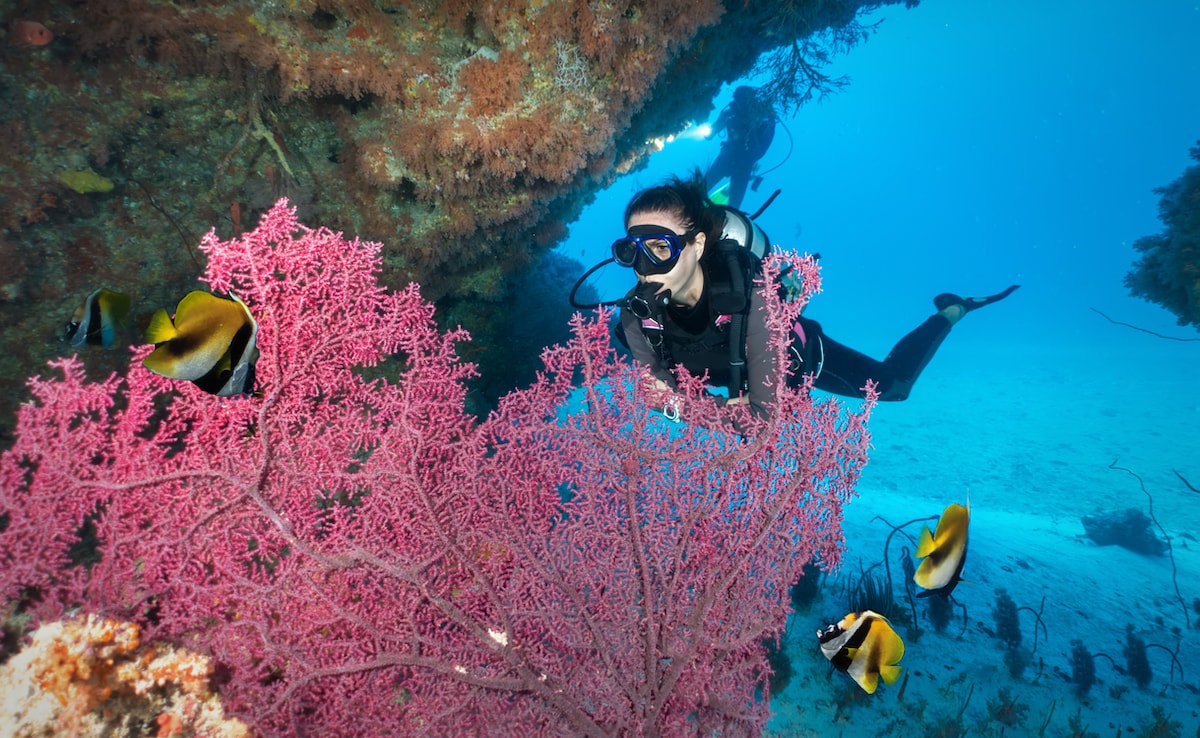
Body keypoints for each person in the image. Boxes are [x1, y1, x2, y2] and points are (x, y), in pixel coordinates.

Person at [613, 175, 1018, 420]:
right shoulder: (635, 318)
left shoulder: (749, 299)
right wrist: (685, 403)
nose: (644, 266)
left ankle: (950, 313)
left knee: (894, 387)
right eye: (631, 251)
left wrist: (682, 407)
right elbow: (661, 389)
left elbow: (757, 418)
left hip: (797, 361)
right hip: (730, 380)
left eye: (661, 247)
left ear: (698, 245)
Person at [705, 86, 777, 209]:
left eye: (741, 100)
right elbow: (710, 134)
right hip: (729, 157)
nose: (738, 103)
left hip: (743, 162)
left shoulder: (762, 119)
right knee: (702, 189)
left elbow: (762, 148)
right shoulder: (730, 114)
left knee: (734, 204)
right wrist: (714, 128)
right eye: (737, 99)